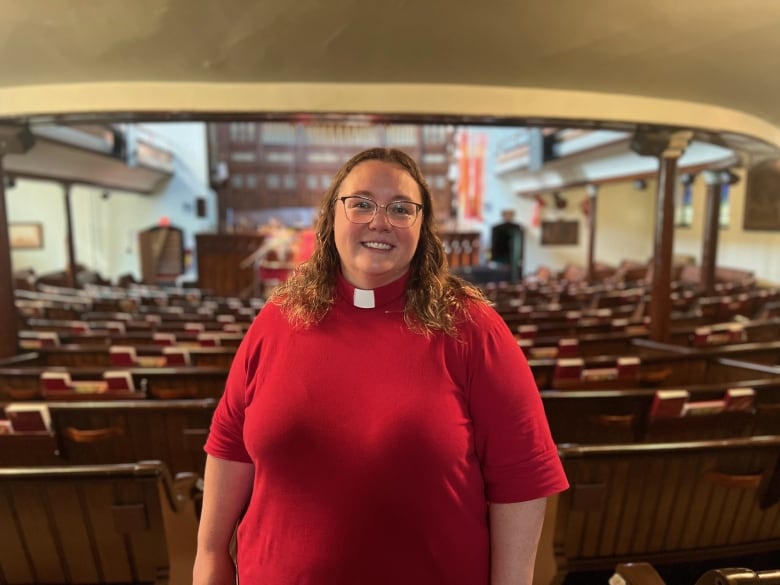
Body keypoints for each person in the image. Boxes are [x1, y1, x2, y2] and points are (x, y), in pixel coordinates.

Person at [193, 148, 568, 585]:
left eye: (401, 209)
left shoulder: (472, 327)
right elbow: (229, 446)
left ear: (422, 226)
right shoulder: (277, 319)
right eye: (362, 203)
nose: (380, 221)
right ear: (332, 214)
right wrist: (209, 556)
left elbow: (521, 477)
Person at [491, 209, 525, 280]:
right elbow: (495, 244)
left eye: (510, 215)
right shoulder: (497, 228)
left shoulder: (517, 228)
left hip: (514, 258)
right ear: (503, 216)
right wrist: (494, 258)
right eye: (506, 215)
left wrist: (520, 258)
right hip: (500, 257)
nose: (508, 217)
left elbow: (520, 245)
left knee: (514, 278)